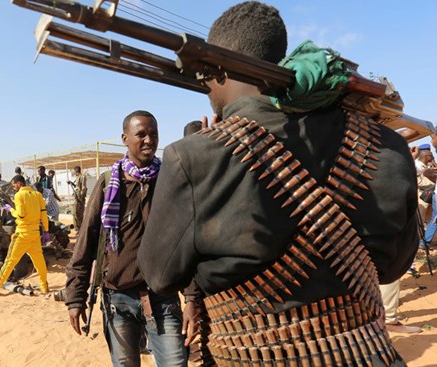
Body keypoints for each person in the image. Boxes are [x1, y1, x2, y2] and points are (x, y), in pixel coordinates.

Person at [138, 2, 418, 366]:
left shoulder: (194, 158)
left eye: (205, 74)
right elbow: (395, 267)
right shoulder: (385, 144)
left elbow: (159, 275)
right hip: (368, 354)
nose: (204, 85)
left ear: (218, 70)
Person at [66, 110, 193, 367]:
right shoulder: (107, 186)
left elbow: (187, 242)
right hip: (118, 302)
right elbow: (85, 244)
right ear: (125, 138)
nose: (149, 140)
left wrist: (191, 298)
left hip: (163, 299)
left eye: (154, 134)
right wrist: (75, 297)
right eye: (141, 134)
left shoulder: (170, 181)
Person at [0, 175, 49, 295]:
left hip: (22, 234)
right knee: (39, 262)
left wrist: (9, 209)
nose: (13, 188)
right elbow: (44, 214)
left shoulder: (19, 195)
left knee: (10, 262)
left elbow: (20, 214)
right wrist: (46, 231)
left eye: (13, 185)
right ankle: (44, 287)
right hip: (35, 234)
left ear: (19, 184)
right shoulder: (37, 195)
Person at [69, 166, 87, 231]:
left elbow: (83, 188)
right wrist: (72, 183)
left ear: (76, 170)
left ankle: (80, 229)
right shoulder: (77, 177)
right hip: (76, 197)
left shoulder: (82, 177)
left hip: (79, 198)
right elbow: (78, 187)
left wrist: (80, 198)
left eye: (73, 171)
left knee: (78, 214)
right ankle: (77, 228)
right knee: (74, 213)